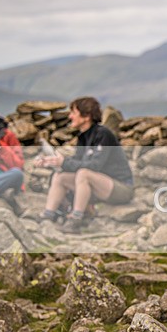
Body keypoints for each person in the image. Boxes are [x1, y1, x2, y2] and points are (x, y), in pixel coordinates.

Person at [35, 96, 134, 234]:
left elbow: (94, 165)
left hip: (121, 188)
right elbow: (76, 161)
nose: (70, 117)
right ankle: (48, 214)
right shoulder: (83, 137)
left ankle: (76, 219)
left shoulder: (103, 134)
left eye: (73, 113)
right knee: (60, 176)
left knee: (84, 173)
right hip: (100, 185)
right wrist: (51, 162)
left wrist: (64, 162)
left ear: (86, 116)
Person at [0, 100, 25, 201]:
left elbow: (19, 165)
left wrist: (2, 150)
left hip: (4, 177)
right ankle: (0, 192)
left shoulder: (8, 136)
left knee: (17, 173)